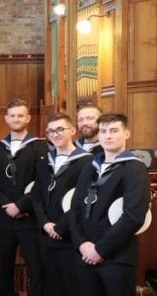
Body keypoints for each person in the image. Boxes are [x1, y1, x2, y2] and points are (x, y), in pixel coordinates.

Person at [69, 113, 150, 296]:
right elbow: (74, 210)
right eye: (103, 131)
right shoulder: (89, 166)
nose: (108, 136)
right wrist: (82, 244)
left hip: (116, 259)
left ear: (126, 134)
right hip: (84, 255)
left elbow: (133, 217)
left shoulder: (134, 168)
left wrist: (99, 250)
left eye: (114, 130)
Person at [0, 98, 46, 296]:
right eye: (12, 116)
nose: (16, 119)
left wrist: (20, 206)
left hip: (30, 219)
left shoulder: (39, 147)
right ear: (6, 118)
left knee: (36, 270)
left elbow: (41, 182)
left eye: (20, 115)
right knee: (4, 270)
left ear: (28, 118)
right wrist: (6, 205)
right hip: (4, 219)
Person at [31, 113, 92, 296]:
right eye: (50, 131)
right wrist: (45, 223)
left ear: (73, 130)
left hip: (70, 235)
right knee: (49, 286)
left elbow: (82, 200)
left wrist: (60, 227)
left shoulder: (86, 161)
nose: (55, 134)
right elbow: (36, 195)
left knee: (71, 287)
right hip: (46, 235)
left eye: (60, 129)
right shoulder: (44, 161)